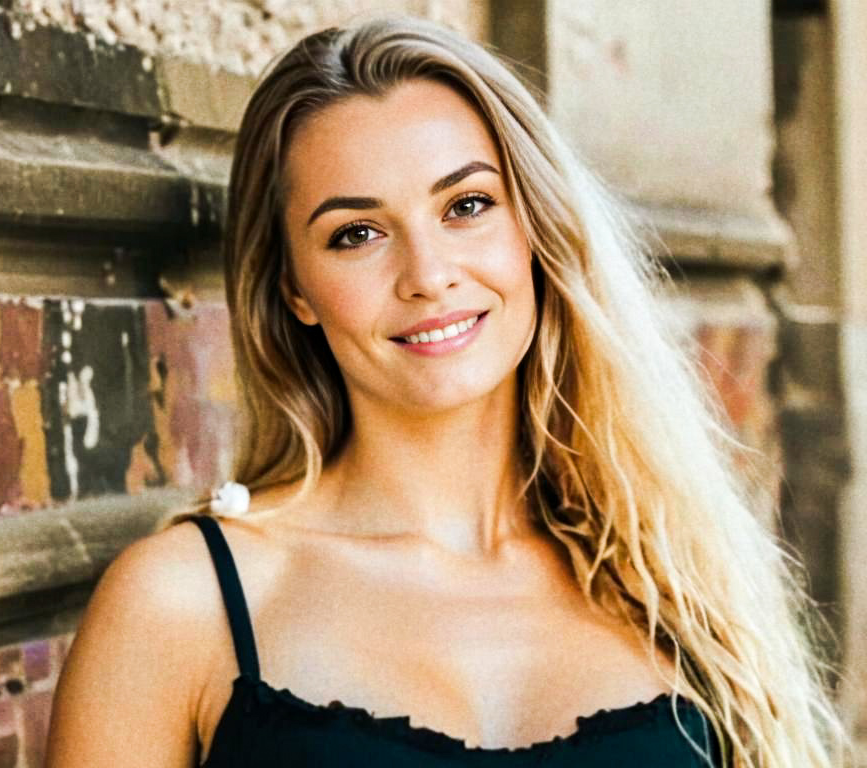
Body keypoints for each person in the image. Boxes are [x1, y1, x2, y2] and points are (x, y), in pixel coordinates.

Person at [44, 16, 848, 768]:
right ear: (293, 288)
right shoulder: (181, 605)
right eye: (356, 234)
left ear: (536, 229)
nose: (428, 276)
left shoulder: (673, 579)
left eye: (467, 206)